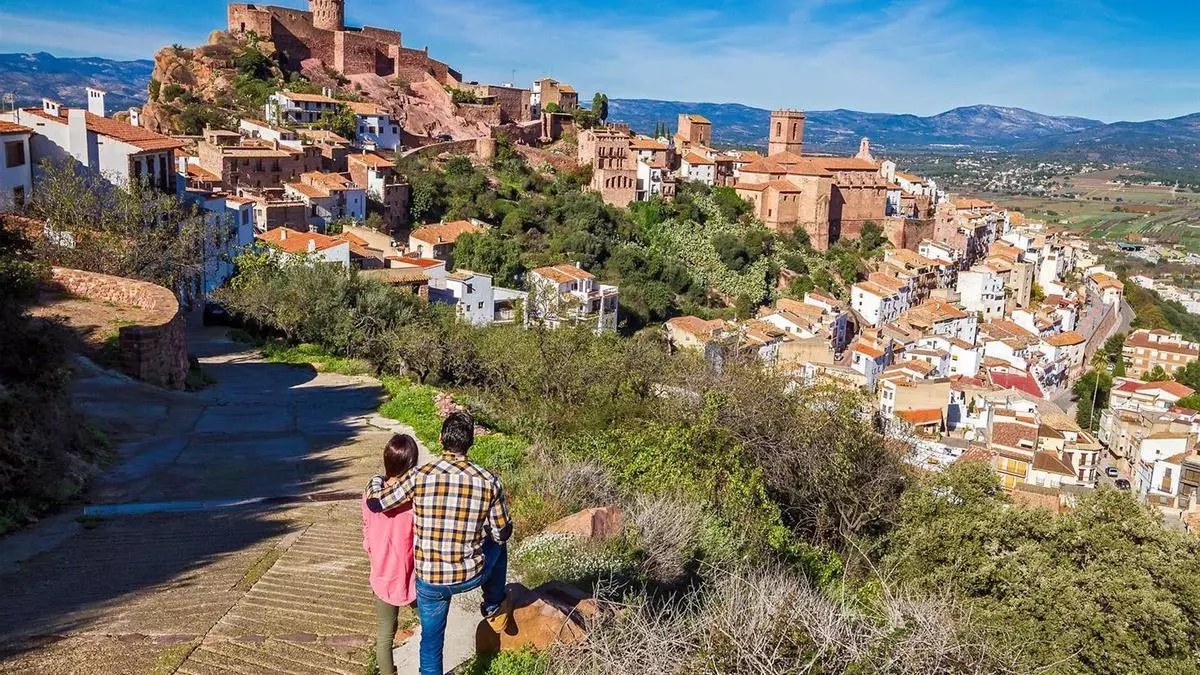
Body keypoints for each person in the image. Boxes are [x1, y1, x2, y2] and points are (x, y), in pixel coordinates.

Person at [365, 411, 512, 675]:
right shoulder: (489, 481)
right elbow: (502, 533)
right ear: (470, 442)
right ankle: (493, 605)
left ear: (441, 438)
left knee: (431, 643)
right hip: (469, 575)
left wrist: (376, 479)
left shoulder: (419, 476)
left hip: (430, 580)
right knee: (499, 547)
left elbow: (377, 503)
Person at [362, 434, 420, 675]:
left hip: (382, 573)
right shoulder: (414, 501)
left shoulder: (371, 494)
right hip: (412, 575)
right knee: (431, 626)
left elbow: (367, 530)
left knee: (385, 635)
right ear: (411, 465)